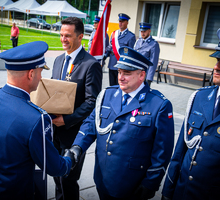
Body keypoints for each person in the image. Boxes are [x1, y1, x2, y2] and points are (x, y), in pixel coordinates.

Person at [0, 41, 74, 200]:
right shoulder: (37, 118)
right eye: (40, 72)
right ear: (31, 74)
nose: (41, 77)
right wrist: (70, 159)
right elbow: (54, 168)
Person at [67, 46, 174, 199]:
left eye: (127, 73)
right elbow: (91, 124)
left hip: (133, 183)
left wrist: (151, 182)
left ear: (142, 75)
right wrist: (77, 146)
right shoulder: (107, 95)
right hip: (103, 177)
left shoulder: (158, 105)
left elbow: (162, 151)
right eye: (119, 72)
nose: (121, 77)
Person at [161, 27, 220, 200]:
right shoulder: (200, 97)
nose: (216, 67)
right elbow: (179, 153)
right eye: (217, 60)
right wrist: (167, 193)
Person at [51, 17, 103, 200]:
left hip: (74, 136)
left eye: (68, 36)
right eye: (61, 35)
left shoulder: (91, 65)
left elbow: (91, 103)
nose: (63, 39)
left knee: (68, 180)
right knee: (57, 179)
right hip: (54, 133)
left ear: (80, 37)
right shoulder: (58, 60)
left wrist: (65, 120)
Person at [103, 13, 136, 86]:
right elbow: (109, 46)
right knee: (111, 86)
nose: (120, 23)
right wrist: (104, 56)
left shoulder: (131, 36)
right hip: (112, 64)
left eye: (122, 21)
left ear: (127, 23)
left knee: (119, 87)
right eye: (119, 21)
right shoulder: (114, 33)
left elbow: (129, 53)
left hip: (121, 66)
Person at [134, 22, 160, 86]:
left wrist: (149, 78)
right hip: (135, 73)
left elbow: (153, 62)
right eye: (141, 31)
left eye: (144, 31)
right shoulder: (138, 41)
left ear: (149, 31)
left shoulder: (154, 44)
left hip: (144, 74)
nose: (142, 33)